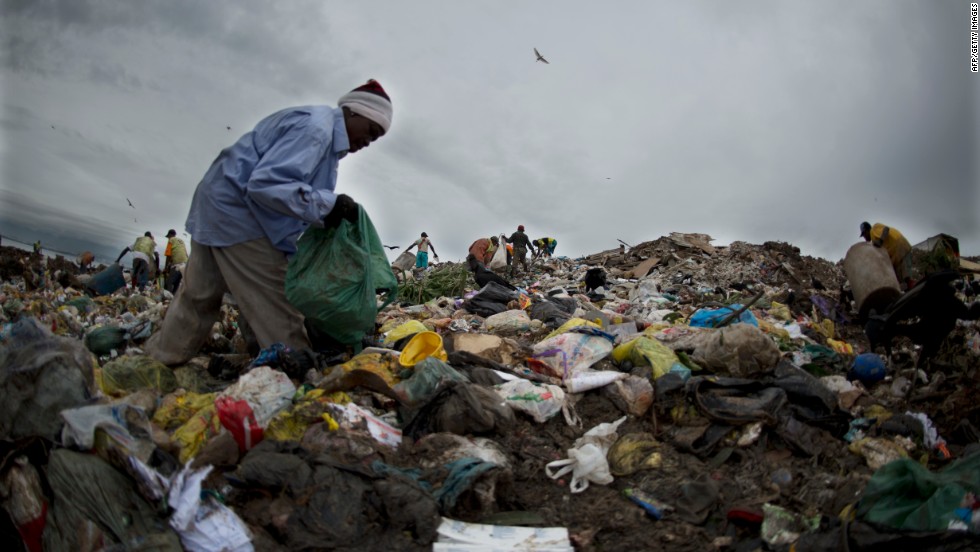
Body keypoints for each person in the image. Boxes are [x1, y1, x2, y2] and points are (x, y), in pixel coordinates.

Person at [144, 80, 393, 366]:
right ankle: (295, 375)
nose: (368, 142)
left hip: (217, 203)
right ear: (353, 112)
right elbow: (265, 184)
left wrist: (325, 211)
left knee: (199, 296)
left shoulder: (322, 132)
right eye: (371, 132)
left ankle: (158, 362)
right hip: (240, 216)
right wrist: (329, 205)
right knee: (279, 307)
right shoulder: (316, 130)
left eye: (376, 139)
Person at [860, 221, 913, 289]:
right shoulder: (874, 240)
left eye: (864, 234)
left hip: (899, 246)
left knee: (906, 278)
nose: (864, 238)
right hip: (896, 253)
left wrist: (880, 241)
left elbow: (886, 229)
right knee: (900, 279)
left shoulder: (874, 229)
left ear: (867, 231)